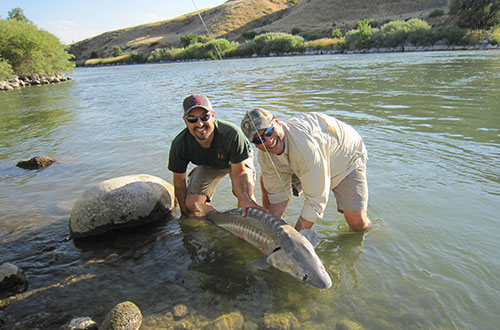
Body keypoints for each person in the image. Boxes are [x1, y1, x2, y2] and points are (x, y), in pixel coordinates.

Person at [240, 108, 372, 232]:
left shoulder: (306, 148)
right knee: (267, 182)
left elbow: (316, 202)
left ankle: (374, 237)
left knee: (357, 223)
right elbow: (279, 195)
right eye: (259, 139)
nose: (268, 141)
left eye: (269, 132)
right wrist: (268, 230)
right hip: (306, 161)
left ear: (277, 122)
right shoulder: (265, 156)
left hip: (345, 157)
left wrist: (296, 238)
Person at [168, 94, 261, 216]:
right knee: (192, 205)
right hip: (210, 164)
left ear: (213, 116)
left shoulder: (232, 134)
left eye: (204, 117)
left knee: (246, 201)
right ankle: (218, 221)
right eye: (192, 119)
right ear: (185, 120)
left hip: (239, 162)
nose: (200, 124)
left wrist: (244, 199)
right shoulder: (179, 144)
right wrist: (184, 213)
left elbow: (240, 172)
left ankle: (246, 223)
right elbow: (179, 181)